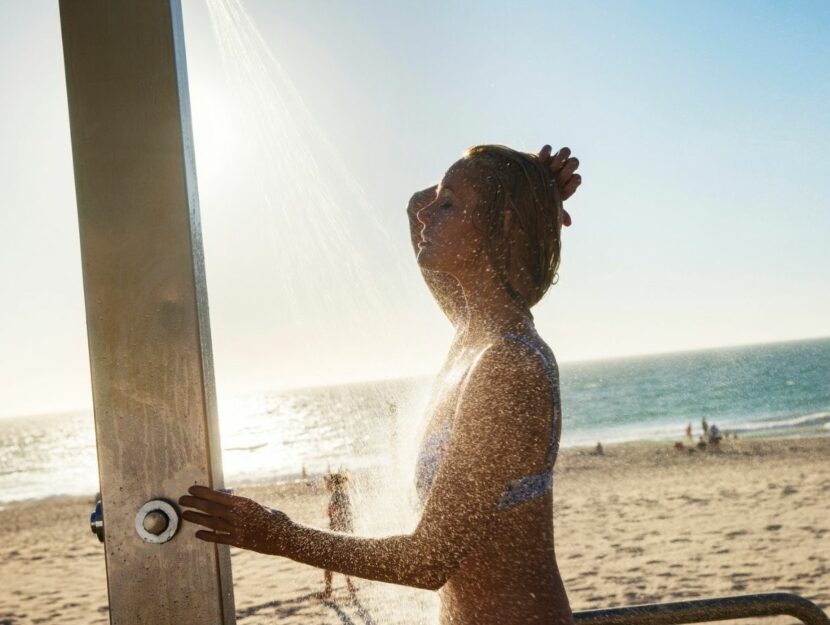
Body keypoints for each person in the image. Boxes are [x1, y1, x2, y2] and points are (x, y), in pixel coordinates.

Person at [179, 144, 582, 625]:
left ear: (505, 226)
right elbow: (415, 206)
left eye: (449, 203)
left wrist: (275, 535)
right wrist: (534, 182)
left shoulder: (508, 364)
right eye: (439, 198)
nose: (429, 214)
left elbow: (427, 561)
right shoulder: (472, 333)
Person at [322, 472, 357, 599]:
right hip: (347, 531)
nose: (326, 485)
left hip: (338, 532)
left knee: (326, 562)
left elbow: (334, 514)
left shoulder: (336, 496)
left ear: (332, 483)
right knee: (344, 560)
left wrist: (332, 532)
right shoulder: (345, 495)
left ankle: (328, 591)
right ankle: (351, 587)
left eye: (327, 482)